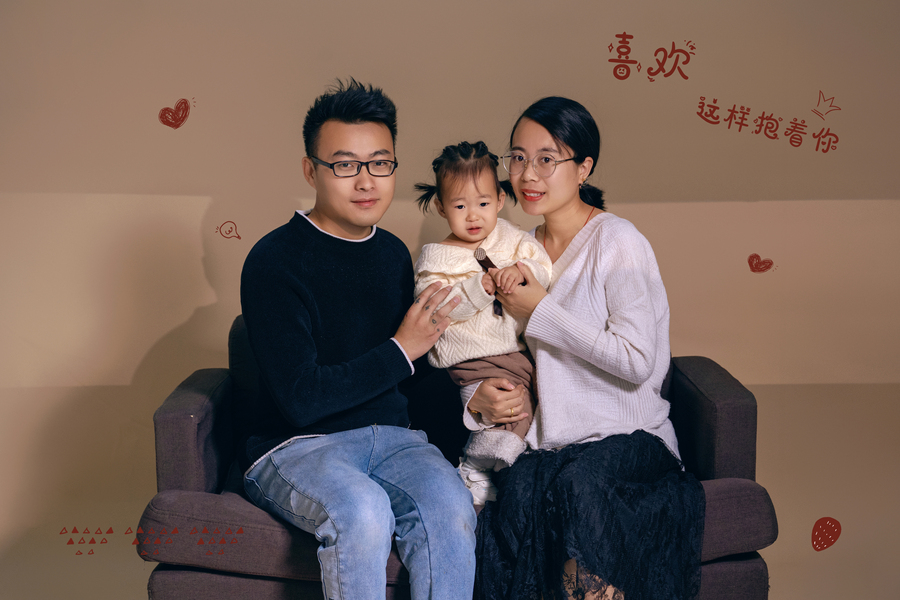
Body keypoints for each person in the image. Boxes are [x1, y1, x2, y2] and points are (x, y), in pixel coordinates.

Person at [238, 79, 477, 600]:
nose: (366, 181)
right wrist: (401, 349)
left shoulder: (391, 253)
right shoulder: (273, 261)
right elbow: (300, 399)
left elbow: (414, 373)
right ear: (311, 171)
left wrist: (480, 396)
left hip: (393, 439)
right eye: (345, 164)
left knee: (451, 507)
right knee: (363, 512)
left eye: (380, 163)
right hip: (296, 448)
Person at [468, 97, 705, 600]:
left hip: (630, 438)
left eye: (547, 159)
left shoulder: (618, 242)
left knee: (578, 489)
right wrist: (476, 396)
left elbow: (637, 361)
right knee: (515, 500)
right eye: (517, 157)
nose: (528, 174)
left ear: (583, 168)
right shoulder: (515, 250)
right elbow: (487, 348)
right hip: (553, 446)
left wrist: (541, 309)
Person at [412, 141, 552, 505]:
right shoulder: (436, 258)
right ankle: (474, 465)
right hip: (469, 360)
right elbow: (434, 307)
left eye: (483, 204)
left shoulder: (511, 239)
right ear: (441, 207)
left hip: (515, 354)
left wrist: (521, 272)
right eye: (460, 206)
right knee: (505, 409)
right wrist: (478, 289)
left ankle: (494, 470)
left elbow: (542, 266)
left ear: (500, 200)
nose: (473, 216)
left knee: (525, 409)